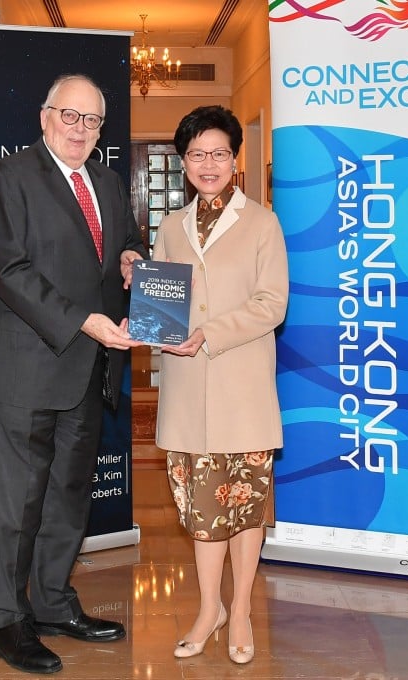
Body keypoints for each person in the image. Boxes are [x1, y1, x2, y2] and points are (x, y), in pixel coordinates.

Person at [0, 74, 148, 675]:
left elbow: (123, 243)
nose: (80, 129)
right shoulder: (9, 179)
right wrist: (85, 320)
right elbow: (10, 270)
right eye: (70, 115)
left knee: (67, 498)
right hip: (21, 368)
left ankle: (55, 604)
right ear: (45, 117)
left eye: (92, 120)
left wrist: (130, 258)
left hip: (85, 370)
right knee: (14, 505)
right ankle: (8, 622)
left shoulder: (110, 184)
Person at [153, 105, 288, 665]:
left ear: (236, 160)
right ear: (184, 163)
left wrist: (210, 332)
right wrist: (156, 327)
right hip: (187, 391)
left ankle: (243, 607)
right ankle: (210, 609)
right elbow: (161, 308)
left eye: (219, 153)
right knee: (203, 513)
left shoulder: (262, 223)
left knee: (244, 509)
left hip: (243, 387)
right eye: (196, 154)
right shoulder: (169, 226)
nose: (208, 164)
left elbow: (271, 304)